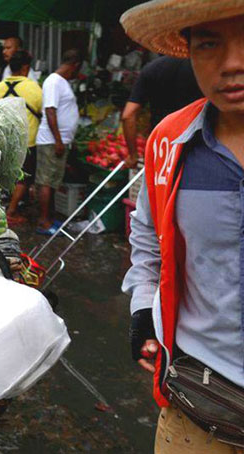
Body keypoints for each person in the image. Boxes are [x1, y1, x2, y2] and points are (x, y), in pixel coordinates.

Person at [120, 2, 244, 453]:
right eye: (210, 43)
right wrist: (142, 308)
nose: (233, 63)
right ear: (188, 50)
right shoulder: (170, 141)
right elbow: (149, 239)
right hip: (198, 403)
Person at [121, 56, 203, 168]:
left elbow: (128, 115)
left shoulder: (151, 69)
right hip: (196, 148)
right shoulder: (203, 69)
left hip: (160, 149)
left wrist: (133, 155)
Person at [0, 50, 42, 226]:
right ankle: (11, 211)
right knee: (24, 179)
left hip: (4, 140)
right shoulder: (33, 88)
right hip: (27, 141)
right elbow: (42, 110)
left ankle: (1, 206)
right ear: (26, 67)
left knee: (4, 175)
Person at [34, 49, 82, 235]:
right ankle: (44, 222)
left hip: (57, 140)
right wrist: (58, 140)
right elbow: (50, 111)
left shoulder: (60, 82)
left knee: (52, 182)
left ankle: (50, 219)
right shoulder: (54, 81)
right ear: (75, 65)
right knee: (46, 181)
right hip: (50, 141)